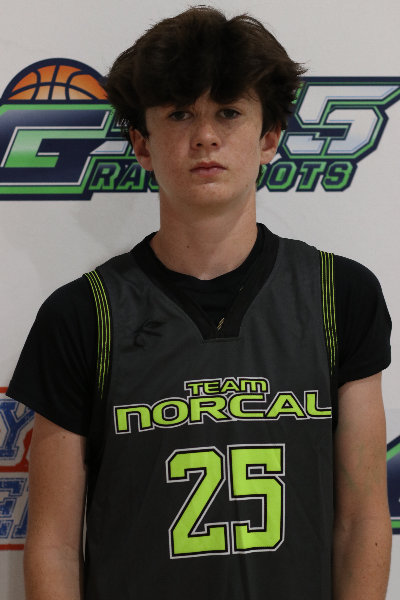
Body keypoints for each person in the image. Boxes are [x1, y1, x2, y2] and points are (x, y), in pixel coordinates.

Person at [7, 5, 392, 600]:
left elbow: (362, 518)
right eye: (180, 113)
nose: (205, 135)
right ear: (141, 144)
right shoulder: (82, 316)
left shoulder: (340, 295)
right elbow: (54, 544)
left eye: (229, 112)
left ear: (269, 137)